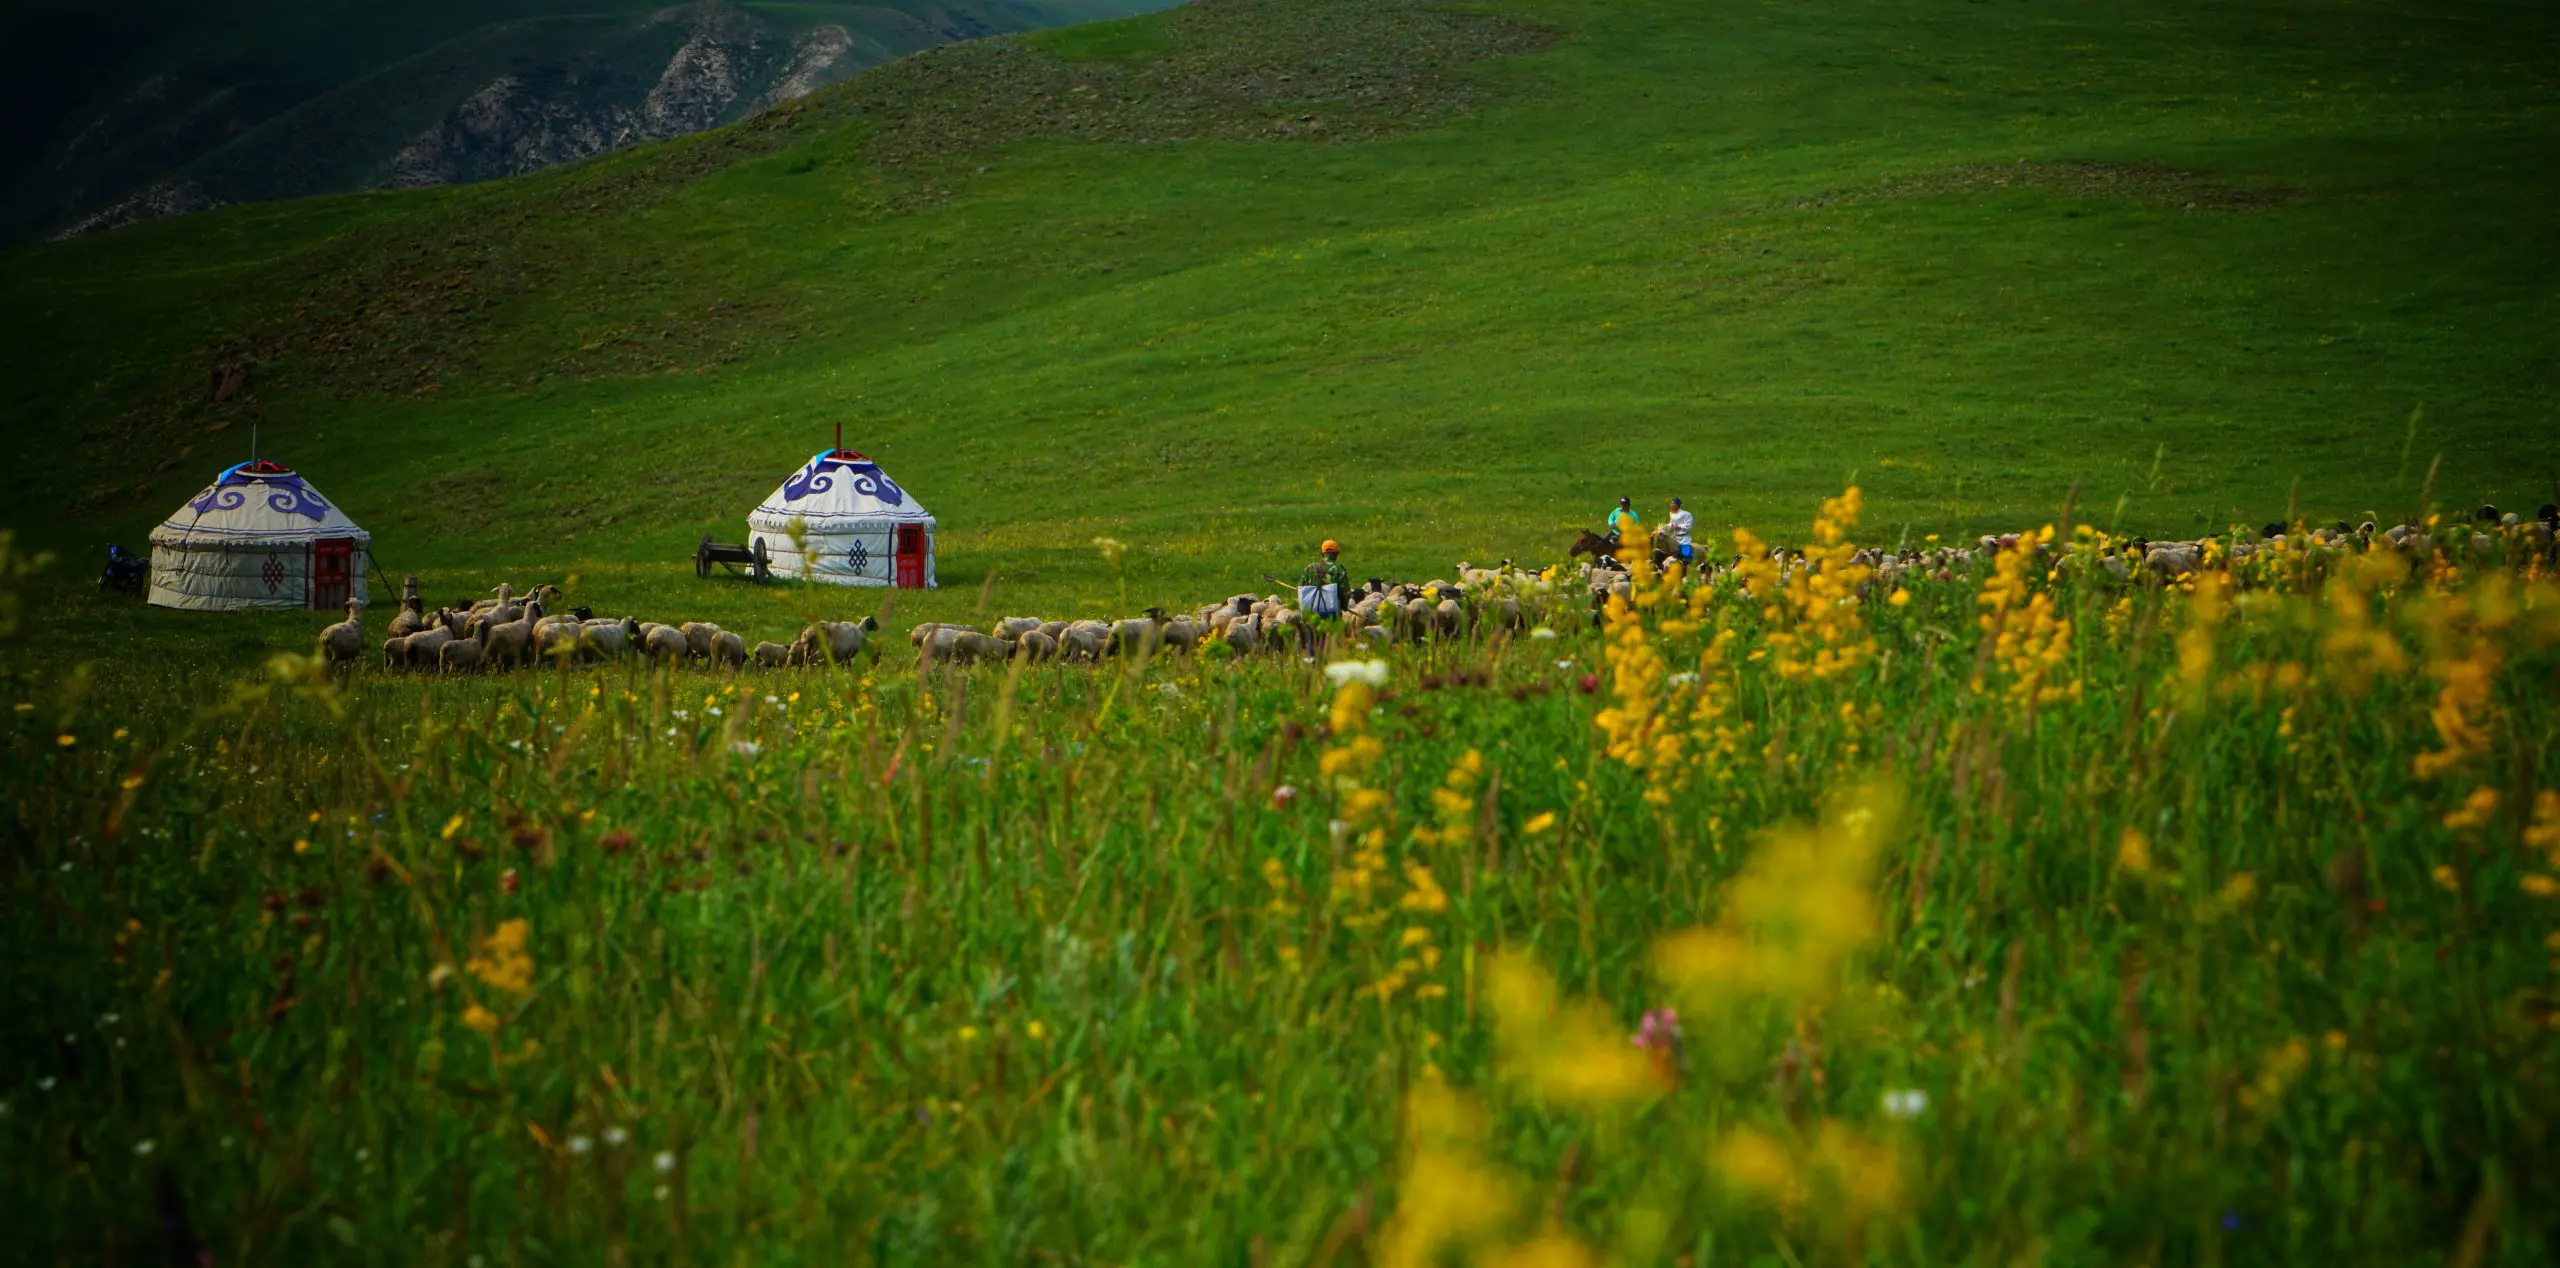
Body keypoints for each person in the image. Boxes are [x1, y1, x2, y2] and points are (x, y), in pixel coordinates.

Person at [1297, 539, 1350, 655]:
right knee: (1328, 640)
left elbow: (1301, 588)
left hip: (1310, 611)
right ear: (1336, 554)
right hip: (1330, 613)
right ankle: (1324, 665)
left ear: (1322, 553)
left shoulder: (1309, 568)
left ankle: (1312, 664)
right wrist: (1345, 607)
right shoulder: (1339, 570)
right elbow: (1345, 592)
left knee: (1311, 640)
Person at [1665, 497, 1696, 564]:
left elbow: (1688, 526)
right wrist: (1665, 527)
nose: (1671, 505)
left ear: (1677, 505)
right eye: (1671, 503)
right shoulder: (1671, 513)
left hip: (1684, 538)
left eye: (1673, 503)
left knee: (1687, 557)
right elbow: (1671, 523)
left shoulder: (1686, 514)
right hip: (1675, 537)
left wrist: (1679, 527)